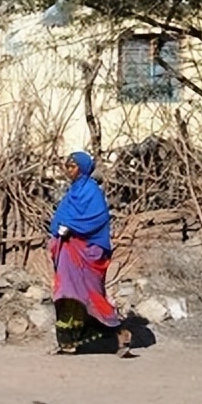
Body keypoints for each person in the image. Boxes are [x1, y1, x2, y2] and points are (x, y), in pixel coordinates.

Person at [48, 151, 126, 354]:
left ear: (82, 169)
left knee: (91, 296)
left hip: (87, 253)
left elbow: (97, 219)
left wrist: (72, 227)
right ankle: (67, 343)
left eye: (72, 166)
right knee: (66, 294)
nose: (68, 170)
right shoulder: (70, 193)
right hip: (68, 251)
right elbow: (58, 219)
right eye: (67, 166)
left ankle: (120, 336)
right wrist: (60, 229)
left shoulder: (92, 192)